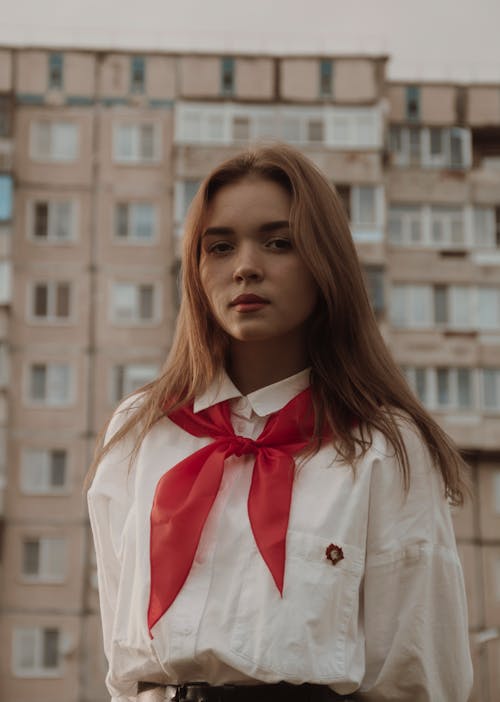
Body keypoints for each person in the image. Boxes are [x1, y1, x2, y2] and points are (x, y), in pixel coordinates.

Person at [87, 143, 473, 702]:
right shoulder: (139, 433)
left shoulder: (385, 448)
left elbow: (418, 677)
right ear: (194, 271)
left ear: (325, 263)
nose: (245, 266)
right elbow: (124, 669)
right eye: (219, 246)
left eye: (279, 242)